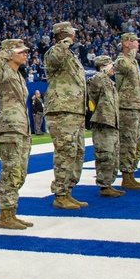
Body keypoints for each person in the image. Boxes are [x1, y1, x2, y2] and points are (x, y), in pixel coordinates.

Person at [0, 39, 34, 229]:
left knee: (20, 172)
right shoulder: (3, 71)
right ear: (10, 53)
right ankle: (5, 215)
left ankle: (11, 211)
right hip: (10, 127)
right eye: (20, 51)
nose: (25, 54)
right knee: (11, 171)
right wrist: (6, 51)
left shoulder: (19, 76)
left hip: (22, 127)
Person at [43, 21, 88, 209]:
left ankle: (68, 190)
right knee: (65, 152)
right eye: (71, 33)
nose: (74, 36)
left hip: (75, 111)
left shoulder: (71, 56)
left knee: (77, 152)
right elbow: (54, 59)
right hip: (62, 111)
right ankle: (60, 194)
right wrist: (65, 42)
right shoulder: (55, 51)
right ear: (64, 34)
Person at [114, 32, 140, 189]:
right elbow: (126, 67)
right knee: (128, 143)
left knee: (136, 144)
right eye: (135, 41)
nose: (138, 44)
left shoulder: (133, 62)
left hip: (136, 107)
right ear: (127, 43)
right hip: (126, 107)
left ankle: (131, 174)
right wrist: (132, 54)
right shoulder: (122, 60)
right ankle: (126, 176)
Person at [87, 55, 124, 198]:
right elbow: (95, 85)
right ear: (103, 67)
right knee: (105, 155)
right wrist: (103, 71)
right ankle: (104, 185)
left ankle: (108, 184)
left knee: (113, 156)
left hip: (112, 123)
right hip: (103, 123)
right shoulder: (95, 80)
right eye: (110, 65)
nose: (113, 68)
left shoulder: (110, 83)